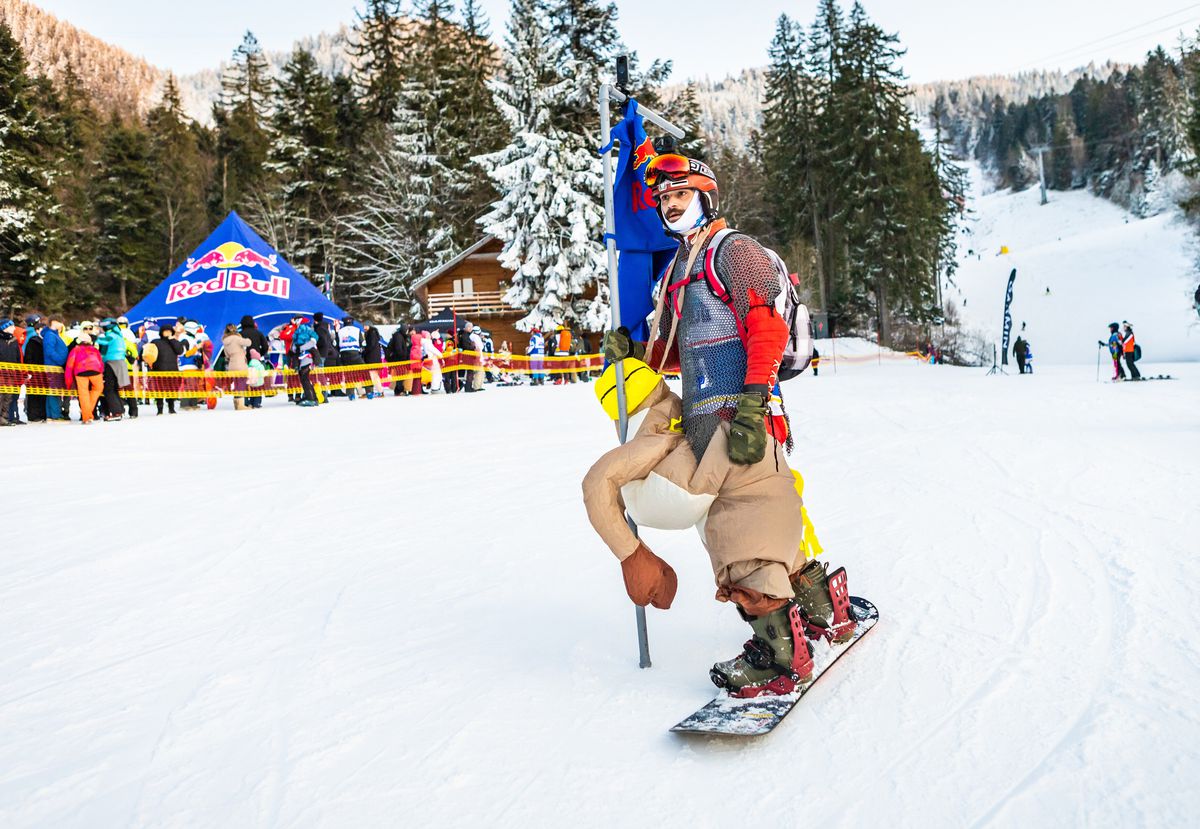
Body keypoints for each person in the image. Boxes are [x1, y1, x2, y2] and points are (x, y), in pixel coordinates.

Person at [598, 152, 849, 698]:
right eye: (662, 199)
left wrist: (755, 404)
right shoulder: (681, 266)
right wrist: (633, 347)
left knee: (743, 537)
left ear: (705, 197)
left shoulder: (732, 252)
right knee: (764, 525)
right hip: (708, 420)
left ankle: (781, 653)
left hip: (744, 418)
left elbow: (767, 329)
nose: (668, 206)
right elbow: (677, 349)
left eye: (679, 196)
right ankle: (824, 604)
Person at [63, 332, 105, 425]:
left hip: (80, 372)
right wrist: (102, 372)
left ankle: (86, 416)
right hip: (96, 371)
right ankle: (88, 412)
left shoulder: (75, 350)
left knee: (83, 394)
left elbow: (69, 365)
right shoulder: (94, 350)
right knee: (98, 389)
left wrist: (68, 381)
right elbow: (100, 362)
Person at [96, 318, 130, 421]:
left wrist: (94, 338)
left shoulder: (111, 335)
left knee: (108, 389)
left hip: (113, 362)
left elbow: (103, 341)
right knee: (114, 388)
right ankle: (119, 410)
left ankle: (117, 412)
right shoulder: (118, 334)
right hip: (118, 362)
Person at [149, 324, 185, 414]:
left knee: (171, 390)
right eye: (165, 331)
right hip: (158, 370)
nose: (167, 333)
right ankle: (160, 409)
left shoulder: (174, 342)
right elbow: (149, 352)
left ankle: (171, 408)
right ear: (161, 332)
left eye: (169, 331)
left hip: (172, 371)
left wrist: (172, 340)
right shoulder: (155, 342)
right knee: (159, 391)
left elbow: (179, 351)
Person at [42, 318, 70, 421]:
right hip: (53, 367)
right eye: (61, 322)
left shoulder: (54, 335)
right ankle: (55, 415)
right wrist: (61, 360)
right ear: (54, 322)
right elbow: (49, 351)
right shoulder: (50, 335)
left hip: (55, 366)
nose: (62, 324)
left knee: (54, 391)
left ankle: (52, 414)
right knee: (54, 391)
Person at [239, 316, 269, 408]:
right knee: (257, 381)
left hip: (243, 361)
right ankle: (256, 402)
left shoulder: (240, 334)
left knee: (244, 381)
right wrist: (260, 354)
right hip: (255, 361)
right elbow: (266, 346)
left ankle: (245, 401)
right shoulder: (258, 333)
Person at [21, 315, 47, 422]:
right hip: (34, 368)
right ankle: (33, 413)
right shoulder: (32, 337)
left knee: (36, 392)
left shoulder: (26, 333)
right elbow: (29, 354)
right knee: (34, 392)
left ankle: (35, 412)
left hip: (36, 368)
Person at [221, 324, 252, 410]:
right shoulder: (237, 338)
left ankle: (236, 403)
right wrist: (246, 338)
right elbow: (248, 342)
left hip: (232, 364)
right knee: (241, 384)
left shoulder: (225, 342)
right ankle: (241, 405)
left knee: (236, 384)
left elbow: (226, 355)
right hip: (240, 364)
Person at [0, 319, 25, 426]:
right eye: (11, 326)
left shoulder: (14, 341)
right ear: (5, 328)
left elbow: (17, 358)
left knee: (8, 396)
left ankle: (4, 418)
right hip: (1, 372)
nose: (14, 328)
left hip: (11, 373)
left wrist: (20, 372)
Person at [337, 316, 366, 400]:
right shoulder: (357, 330)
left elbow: (337, 343)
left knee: (348, 375)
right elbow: (363, 342)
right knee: (363, 372)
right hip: (355, 353)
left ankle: (351, 394)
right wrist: (361, 350)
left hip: (344, 354)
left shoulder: (340, 331)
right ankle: (368, 391)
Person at [292, 318, 319, 406]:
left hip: (306, 359)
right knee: (305, 379)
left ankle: (311, 398)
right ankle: (312, 397)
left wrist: (300, 347)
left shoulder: (304, 331)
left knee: (305, 379)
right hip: (304, 359)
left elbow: (312, 344)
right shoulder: (304, 331)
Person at [362, 321, 384, 398]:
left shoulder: (372, 333)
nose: (364, 327)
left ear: (369, 326)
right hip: (373, 358)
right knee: (372, 375)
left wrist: (364, 351)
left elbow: (370, 345)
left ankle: (378, 391)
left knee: (372, 375)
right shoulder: (371, 333)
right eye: (364, 326)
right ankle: (373, 391)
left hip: (372, 358)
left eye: (365, 326)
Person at [386, 325, 410, 395]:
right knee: (400, 376)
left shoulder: (400, 336)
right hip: (399, 359)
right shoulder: (398, 336)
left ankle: (398, 390)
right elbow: (398, 349)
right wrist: (403, 356)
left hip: (399, 359)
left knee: (400, 375)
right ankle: (399, 391)